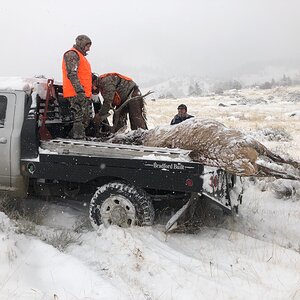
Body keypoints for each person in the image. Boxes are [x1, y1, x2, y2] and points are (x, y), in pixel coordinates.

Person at [62, 34, 92, 139]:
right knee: (79, 117)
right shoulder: (72, 54)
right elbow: (71, 74)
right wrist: (79, 91)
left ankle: (72, 136)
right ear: (81, 43)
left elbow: (83, 75)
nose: (88, 49)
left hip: (83, 93)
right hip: (75, 92)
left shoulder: (80, 56)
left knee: (85, 119)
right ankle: (78, 138)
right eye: (87, 46)